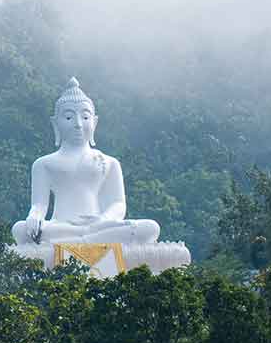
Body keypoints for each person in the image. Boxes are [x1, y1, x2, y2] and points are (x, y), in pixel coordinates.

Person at [11, 77, 161, 245]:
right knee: (20, 229)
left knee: (151, 228)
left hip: (99, 225)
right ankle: (86, 238)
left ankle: (82, 238)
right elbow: (39, 205)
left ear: (94, 122)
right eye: (68, 118)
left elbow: (118, 204)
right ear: (56, 124)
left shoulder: (110, 162)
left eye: (85, 117)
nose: (78, 124)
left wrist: (103, 220)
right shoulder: (44, 164)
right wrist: (34, 216)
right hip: (61, 226)